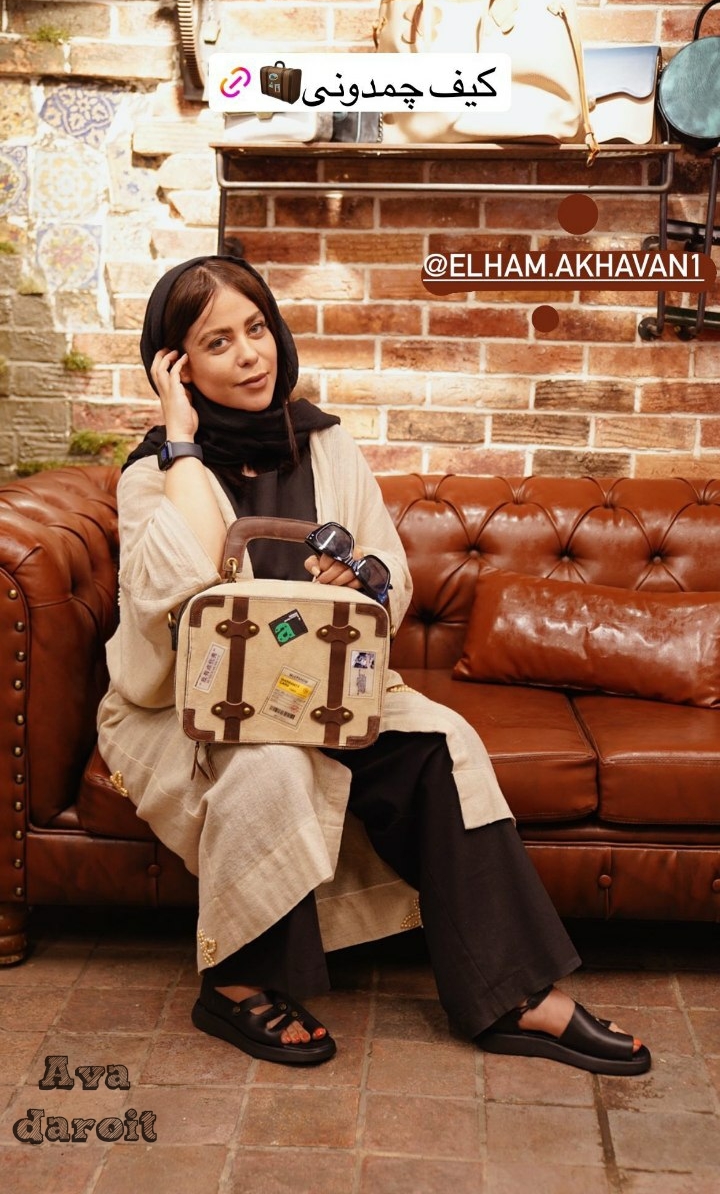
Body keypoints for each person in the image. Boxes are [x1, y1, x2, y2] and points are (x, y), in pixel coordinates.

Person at [97, 255, 651, 1076]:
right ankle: (237, 982)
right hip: (192, 708)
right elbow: (167, 598)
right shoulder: (154, 472)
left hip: (326, 688)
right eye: (217, 343)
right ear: (176, 367)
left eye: (257, 329)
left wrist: (362, 581)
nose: (249, 355)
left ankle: (515, 994)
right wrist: (181, 443)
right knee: (270, 765)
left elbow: (388, 571)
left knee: (442, 745)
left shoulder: (324, 444)